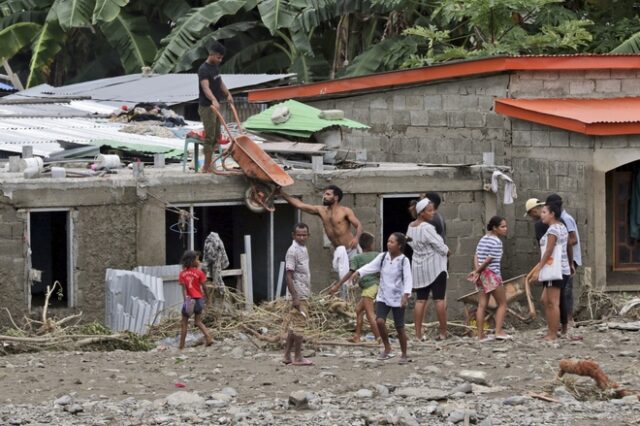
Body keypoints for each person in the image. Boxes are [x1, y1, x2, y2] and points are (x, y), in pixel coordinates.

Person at [279, 185, 363, 291]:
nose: (324, 196)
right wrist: (282, 194)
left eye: (328, 194)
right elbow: (300, 205)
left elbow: (359, 225)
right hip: (339, 251)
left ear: (336, 197)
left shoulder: (345, 211)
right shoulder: (321, 210)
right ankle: (346, 303)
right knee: (344, 280)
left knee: (356, 280)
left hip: (352, 250)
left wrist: (356, 238)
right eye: (324, 194)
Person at [352, 233, 413, 364]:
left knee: (399, 327)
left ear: (399, 245)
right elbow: (371, 267)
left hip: (398, 297)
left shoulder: (404, 261)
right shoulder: (383, 257)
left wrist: (406, 295)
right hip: (383, 296)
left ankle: (404, 353)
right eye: (388, 241)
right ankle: (387, 348)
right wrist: (359, 272)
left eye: (392, 242)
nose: (388, 244)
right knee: (379, 321)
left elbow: (408, 279)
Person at [407, 198, 449, 341]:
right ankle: (443, 333)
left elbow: (410, 244)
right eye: (429, 211)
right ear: (421, 213)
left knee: (420, 300)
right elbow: (439, 245)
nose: (433, 213)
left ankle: (418, 335)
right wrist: (448, 252)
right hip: (435, 267)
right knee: (439, 300)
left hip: (419, 267)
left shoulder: (410, 227)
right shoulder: (427, 228)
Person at [329, 232, 381, 343]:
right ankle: (357, 336)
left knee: (370, 314)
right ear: (371, 244)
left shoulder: (357, 258)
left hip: (369, 288)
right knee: (358, 309)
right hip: (375, 286)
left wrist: (338, 285)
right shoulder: (377, 255)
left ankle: (379, 338)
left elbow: (350, 272)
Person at [531, 203, 572, 342]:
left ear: (552, 214)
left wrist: (539, 270)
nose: (541, 215)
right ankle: (552, 330)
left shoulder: (554, 229)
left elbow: (548, 251)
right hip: (562, 268)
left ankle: (552, 334)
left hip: (555, 269)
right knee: (545, 300)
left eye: (544, 212)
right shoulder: (561, 226)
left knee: (552, 303)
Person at [467, 216, 510, 341]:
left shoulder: (484, 238)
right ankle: (499, 332)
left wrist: (477, 271)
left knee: (481, 305)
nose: (505, 229)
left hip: (481, 275)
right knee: (502, 304)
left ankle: (480, 336)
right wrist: (478, 270)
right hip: (492, 275)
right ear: (495, 228)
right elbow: (489, 259)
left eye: (505, 226)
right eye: (502, 226)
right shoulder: (497, 242)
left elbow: (476, 255)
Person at [546, 193, 581, 335]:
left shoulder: (566, 219)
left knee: (565, 292)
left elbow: (573, 240)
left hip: (569, 259)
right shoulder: (560, 221)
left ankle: (568, 320)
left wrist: (557, 246)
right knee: (561, 293)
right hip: (564, 258)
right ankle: (563, 323)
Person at [198, 41, 234, 173]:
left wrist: (227, 93)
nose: (220, 60)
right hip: (207, 107)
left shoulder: (215, 67)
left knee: (217, 136)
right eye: (218, 57)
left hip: (216, 106)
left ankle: (211, 162)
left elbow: (219, 82)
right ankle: (206, 167)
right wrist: (213, 99)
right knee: (210, 136)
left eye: (221, 58)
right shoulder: (204, 69)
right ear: (211, 54)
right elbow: (205, 87)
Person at [283, 223, 314, 366]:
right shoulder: (292, 251)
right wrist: (295, 296)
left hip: (303, 292)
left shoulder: (303, 248)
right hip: (298, 294)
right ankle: (298, 357)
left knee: (294, 325)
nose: (301, 237)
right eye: (299, 234)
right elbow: (288, 275)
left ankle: (287, 356)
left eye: (304, 235)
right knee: (300, 324)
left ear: (308, 235)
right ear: (293, 235)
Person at [178, 250, 213, 350]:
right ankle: (208, 337)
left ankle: (181, 346)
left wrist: (186, 301)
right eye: (197, 259)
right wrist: (208, 299)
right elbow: (205, 287)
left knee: (184, 323)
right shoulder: (199, 273)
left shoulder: (182, 274)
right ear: (192, 261)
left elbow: (184, 289)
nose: (199, 261)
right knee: (198, 322)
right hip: (199, 300)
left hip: (189, 300)